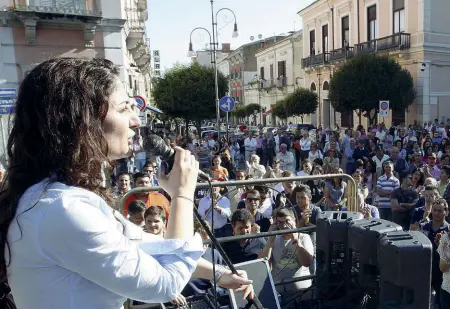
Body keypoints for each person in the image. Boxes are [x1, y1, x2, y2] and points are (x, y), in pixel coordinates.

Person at [0, 58, 252, 309]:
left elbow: (142, 246)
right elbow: (165, 286)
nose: (136, 121)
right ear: (82, 121)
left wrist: (219, 274)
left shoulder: (58, 199)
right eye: (124, 109)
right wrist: (182, 195)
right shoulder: (62, 209)